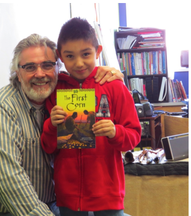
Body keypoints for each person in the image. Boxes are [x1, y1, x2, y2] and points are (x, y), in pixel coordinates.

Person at [0, 33, 124, 216]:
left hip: (54, 203)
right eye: (29, 67)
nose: (40, 74)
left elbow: (84, 74)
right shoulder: (0, 107)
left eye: (47, 65)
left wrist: (109, 74)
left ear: (58, 69)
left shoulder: (61, 96)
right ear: (17, 73)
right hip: (8, 210)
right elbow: (8, 180)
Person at [41, 17, 141, 216]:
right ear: (60, 56)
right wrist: (52, 126)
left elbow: (133, 137)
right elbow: (48, 146)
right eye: (69, 56)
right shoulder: (54, 89)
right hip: (67, 194)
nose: (79, 63)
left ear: (98, 51)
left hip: (107, 191)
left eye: (86, 54)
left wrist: (115, 132)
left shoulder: (114, 87)